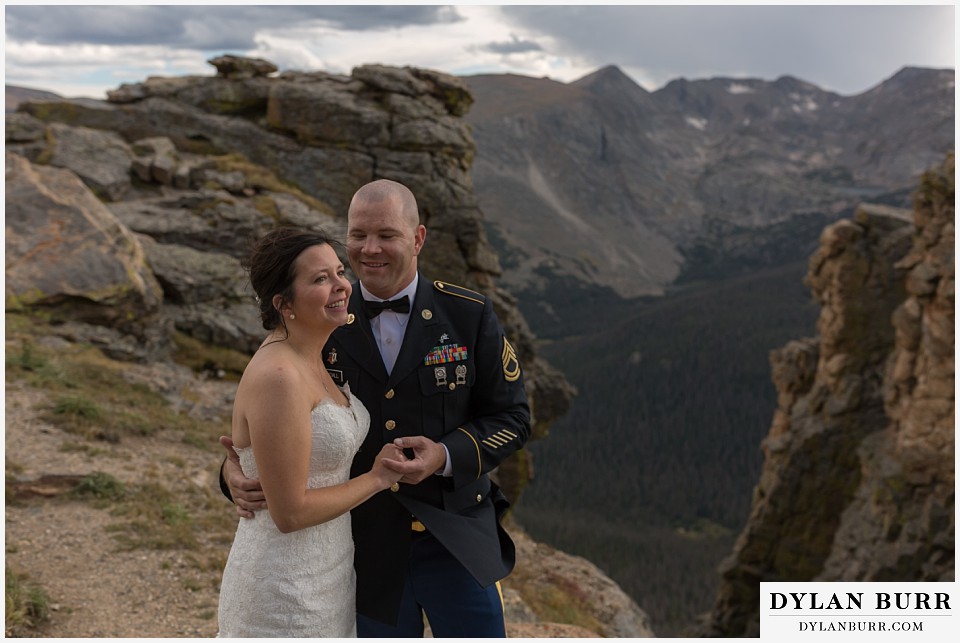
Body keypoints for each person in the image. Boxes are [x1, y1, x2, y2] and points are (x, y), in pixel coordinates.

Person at [220, 179, 532, 637]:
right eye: (358, 235)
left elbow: (512, 418)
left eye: (386, 235)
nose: (370, 249)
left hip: (456, 538)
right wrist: (232, 476)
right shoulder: (318, 322)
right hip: (362, 545)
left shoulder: (469, 314)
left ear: (418, 238)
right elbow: (269, 424)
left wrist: (445, 455)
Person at [216, 227, 406, 637]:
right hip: (282, 585)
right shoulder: (280, 376)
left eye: (339, 272)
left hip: (329, 572)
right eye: (320, 279)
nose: (341, 286)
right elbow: (290, 513)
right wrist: (377, 478)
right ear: (283, 303)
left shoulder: (315, 353)